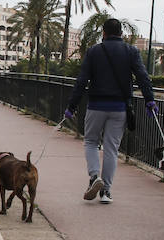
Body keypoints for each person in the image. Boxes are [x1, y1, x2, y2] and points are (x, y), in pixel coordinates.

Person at [63, 17, 156, 205]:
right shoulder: (131, 51)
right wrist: (150, 100)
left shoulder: (94, 51)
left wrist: (71, 107)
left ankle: (94, 176)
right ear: (121, 33)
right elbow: (143, 77)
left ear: (103, 33)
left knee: (90, 142)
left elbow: (82, 81)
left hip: (96, 105)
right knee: (111, 149)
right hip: (120, 108)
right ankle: (105, 191)